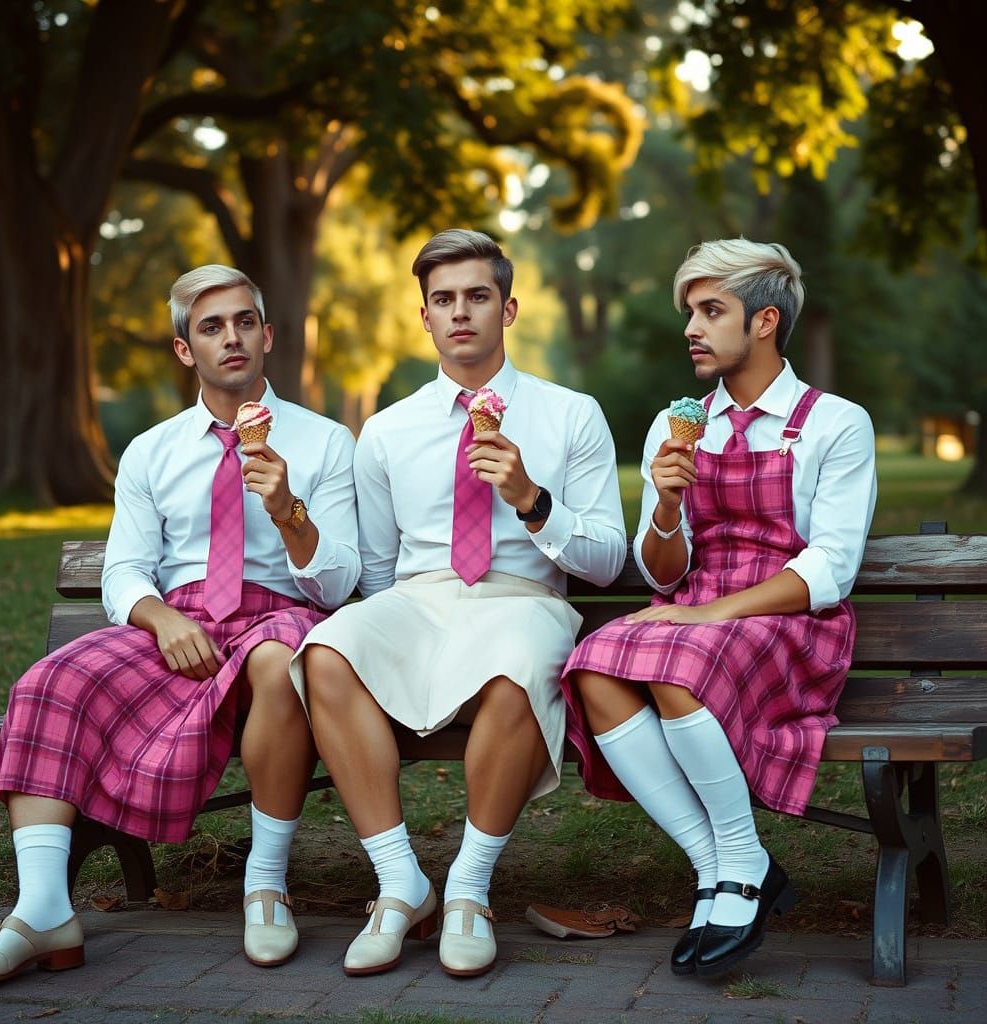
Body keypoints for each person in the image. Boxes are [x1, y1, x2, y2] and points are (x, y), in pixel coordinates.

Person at [0, 265, 360, 985]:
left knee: (279, 661)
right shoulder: (152, 450)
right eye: (210, 327)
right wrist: (162, 617)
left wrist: (288, 510)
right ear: (186, 351)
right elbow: (124, 571)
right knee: (50, 681)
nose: (230, 338)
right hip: (181, 623)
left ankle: (265, 885)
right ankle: (43, 908)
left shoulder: (328, 442)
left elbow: (339, 584)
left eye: (244, 322)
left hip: (283, 617)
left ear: (267, 336)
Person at [291, 229, 626, 979]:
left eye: (477, 296)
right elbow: (376, 572)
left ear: (508, 308)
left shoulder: (570, 414)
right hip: (423, 600)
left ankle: (470, 891)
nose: (460, 312)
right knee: (327, 652)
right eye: (443, 299)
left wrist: (531, 500)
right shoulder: (387, 430)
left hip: (523, 599)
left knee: (518, 666)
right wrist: (398, 640)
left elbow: (607, 561)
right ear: (425, 318)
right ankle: (400, 884)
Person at [562, 238, 877, 977]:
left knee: (681, 659)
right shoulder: (678, 427)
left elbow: (831, 565)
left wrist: (710, 616)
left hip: (792, 622)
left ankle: (735, 867)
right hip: (698, 617)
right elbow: (663, 573)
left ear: (765, 321)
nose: (691, 329)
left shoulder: (834, 423)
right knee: (592, 667)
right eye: (690, 312)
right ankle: (728, 864)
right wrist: (667, 504)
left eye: (712, 311)